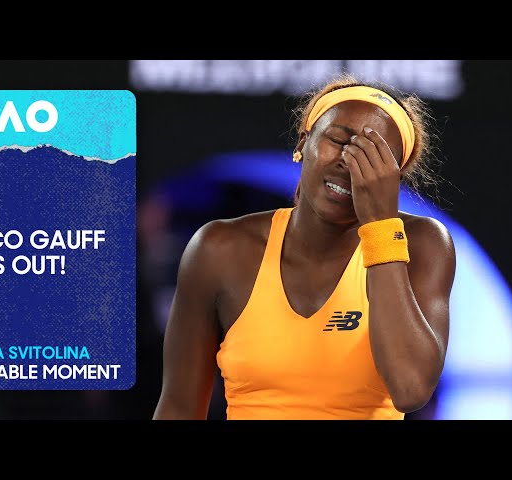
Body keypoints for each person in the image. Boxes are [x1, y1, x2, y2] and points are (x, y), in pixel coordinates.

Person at [153, 73, 456, 420]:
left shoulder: (422, 243)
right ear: (303, 143)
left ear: (394, 178)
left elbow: (410, 389)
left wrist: (380, 225)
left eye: (373, 158)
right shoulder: (220, 248)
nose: (349, 161)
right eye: (338, 140)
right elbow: (178, 409)